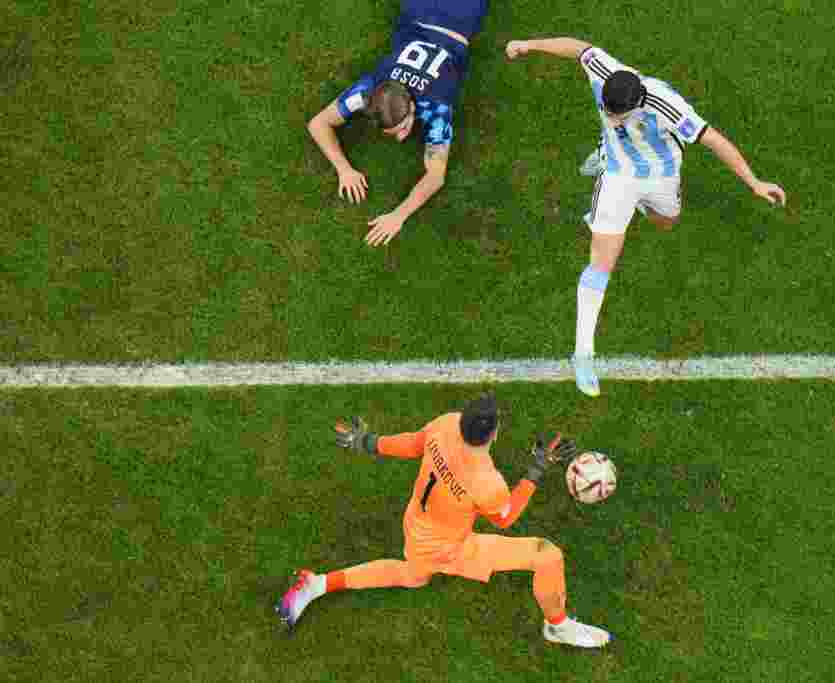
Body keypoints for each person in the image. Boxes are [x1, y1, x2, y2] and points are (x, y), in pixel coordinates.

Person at [505, 37, 788, 397]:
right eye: (605, 109)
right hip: (619, 177)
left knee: (666, 222)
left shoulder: (668, 107)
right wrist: (528, 45)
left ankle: (622, 180)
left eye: (614, 113)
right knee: (601, 264)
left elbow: (713, 139)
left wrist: (753, 182)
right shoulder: (606, 72)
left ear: (637, 105)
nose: (606, 114)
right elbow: (579, 48)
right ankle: (582, 354)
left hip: (661, 176)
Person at [276, 393, 613, 648]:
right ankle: (557, 625)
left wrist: (368, 442)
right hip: (448, 547)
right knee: (548, 555)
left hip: (417, 522)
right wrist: (537, 469)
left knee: (412, 575)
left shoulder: (445, 424)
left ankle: (318, 584)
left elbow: (412, 445)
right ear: (493, 434)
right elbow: (505, 518)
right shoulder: (485, 481)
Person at [307, 0, 490, 247]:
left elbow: (436, 177)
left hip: (459, 13)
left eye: (403, 127)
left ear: (412, 107)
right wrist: (344, 169)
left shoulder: (436, 107)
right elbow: (317, 124)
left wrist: (399, 215)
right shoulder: (368, 93)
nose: (403, 137)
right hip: (419, 13)